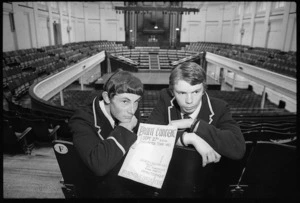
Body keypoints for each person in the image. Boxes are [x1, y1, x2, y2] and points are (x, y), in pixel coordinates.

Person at [147, 62, 246, 167]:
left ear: (203, 90)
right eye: (182, 93)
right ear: (172, 92)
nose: (189, 101)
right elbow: (147, 135)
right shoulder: (166, 99)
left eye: (195, 92)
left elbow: (238, 148)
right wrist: (189, 138)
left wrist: (194, 124)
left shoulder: (220, 108)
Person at [68, 69, 144, 197]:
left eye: (136, 102)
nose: (132, 110)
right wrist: (125, 129)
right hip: (98, 191)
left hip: (126, 181)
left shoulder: (128, 110)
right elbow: (99, 165)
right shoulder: (82, 120)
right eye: (125, 101)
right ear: (107, 97)